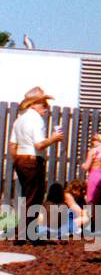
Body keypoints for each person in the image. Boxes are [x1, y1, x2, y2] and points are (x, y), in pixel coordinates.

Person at [7, 86, 63, 215]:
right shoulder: (37, 120)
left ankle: (23, 229)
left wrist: (19, 160)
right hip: (32, 161)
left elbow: (12, 145)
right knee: (34, 199)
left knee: (27, 196)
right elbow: (39, 145)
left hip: (21, 160)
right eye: (43, 104)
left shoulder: (19, 120)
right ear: (33, 105)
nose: (46, 107)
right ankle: (29, 232)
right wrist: (54, 138)